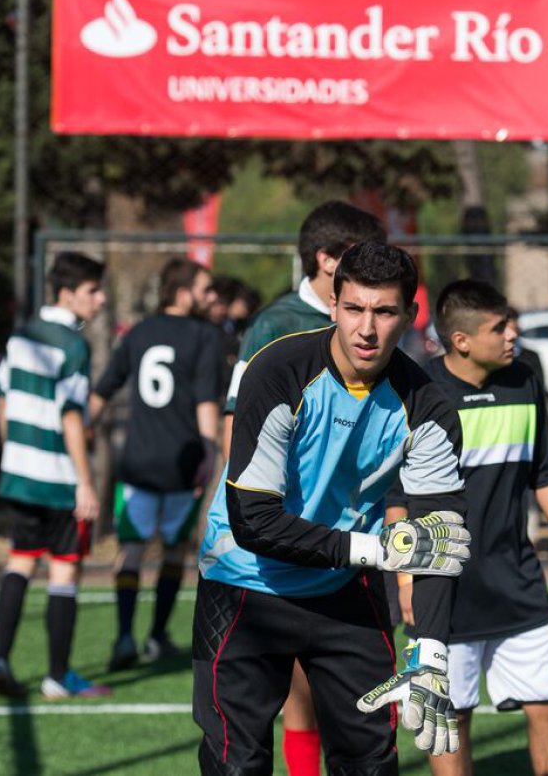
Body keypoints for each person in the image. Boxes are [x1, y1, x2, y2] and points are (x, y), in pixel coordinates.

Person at [194, 242, 471, 775]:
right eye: (354, 309)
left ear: (410, 315)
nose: (367, 328)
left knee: (369, 764)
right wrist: (379, 549)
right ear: (333, 306)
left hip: (343, 587)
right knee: (237, 764)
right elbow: (254, 520)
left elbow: (439, 538)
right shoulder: (277, 371)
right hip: (245, 582)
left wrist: (432, 649)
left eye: (385, 311)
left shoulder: (428, 405)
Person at [221, 200, 387, 776]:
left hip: (348, 527)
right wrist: (249, 508)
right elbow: (234, 422)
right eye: (356, 260)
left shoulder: (369, 323)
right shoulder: (277, 324)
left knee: (345, 691)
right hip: (285, 532)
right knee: (287, 683)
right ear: (325, 260)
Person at [394, 280, 548, 776]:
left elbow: (544, 471)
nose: (512, 334)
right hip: (442, 592)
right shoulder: (416, 392)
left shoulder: (523, 379)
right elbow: (395, 498)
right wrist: (405, 579)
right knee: (447, 720)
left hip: (517, 582)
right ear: (461, 340)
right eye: (499, 327)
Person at [0, 252, 112, 700]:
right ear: (67, 292)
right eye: (92, 291)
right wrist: (85, 481)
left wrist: (15, 451)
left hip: (19, 472)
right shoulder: (74, 345)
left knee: (19, 561)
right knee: (64, 571)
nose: (100, 299)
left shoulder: (21, 336)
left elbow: (2, 398)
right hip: (58, 479)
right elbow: (72, 417)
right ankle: (58, 677)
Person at [89, 258, 223, 669]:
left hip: (138, 461)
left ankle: (125, 636)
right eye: (204, 289)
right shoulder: (205, 335)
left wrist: (82, 431)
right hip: (181, 460)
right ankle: (157, 635)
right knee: (173, 551)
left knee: (129, 550)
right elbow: (205, 401)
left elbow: (103, 390)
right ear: (182, 293)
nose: (210, 297)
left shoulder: (138, 332)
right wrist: (209, 452)